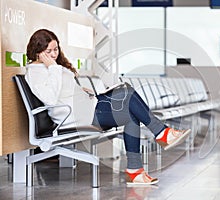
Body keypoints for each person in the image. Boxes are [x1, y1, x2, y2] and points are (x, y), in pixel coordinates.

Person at [25, 29, 191, 185]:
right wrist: (53, 68)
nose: (54, 54)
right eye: (49, 51)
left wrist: (80, 90)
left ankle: (136, 170)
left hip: (87, 106)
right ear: (37, 52)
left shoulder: (52, 67)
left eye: (56, 49)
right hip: (77, 116)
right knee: (127, 92)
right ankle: (161, 133)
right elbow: (51, 99)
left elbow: (62, 91)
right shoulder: (35, 73)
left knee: (129, 111)